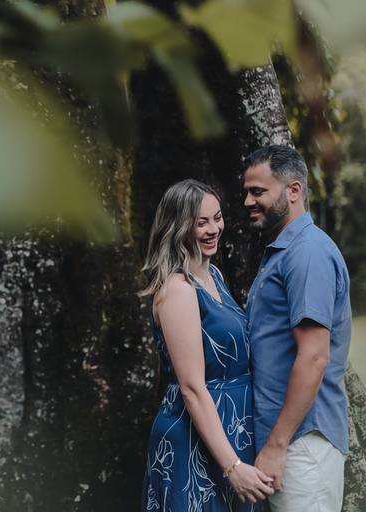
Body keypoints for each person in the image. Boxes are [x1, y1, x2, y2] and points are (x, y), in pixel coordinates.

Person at [139, 179, 274, 511]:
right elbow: (192, 388)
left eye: (217, 218)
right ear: (178, 227)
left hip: (233, 431)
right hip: (196, 439)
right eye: (201, 222)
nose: (214, 229)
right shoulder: (178, 289)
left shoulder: (214, 276)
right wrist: (232, 466)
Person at [242, 145, 351, 511]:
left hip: (303, 443)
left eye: (258, 191)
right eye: (246, 192)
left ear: (293, 190)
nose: (247, 201)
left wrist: (278, 444)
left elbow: (314, 356)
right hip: (286, 441)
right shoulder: (284, 250)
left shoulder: (307, 253)